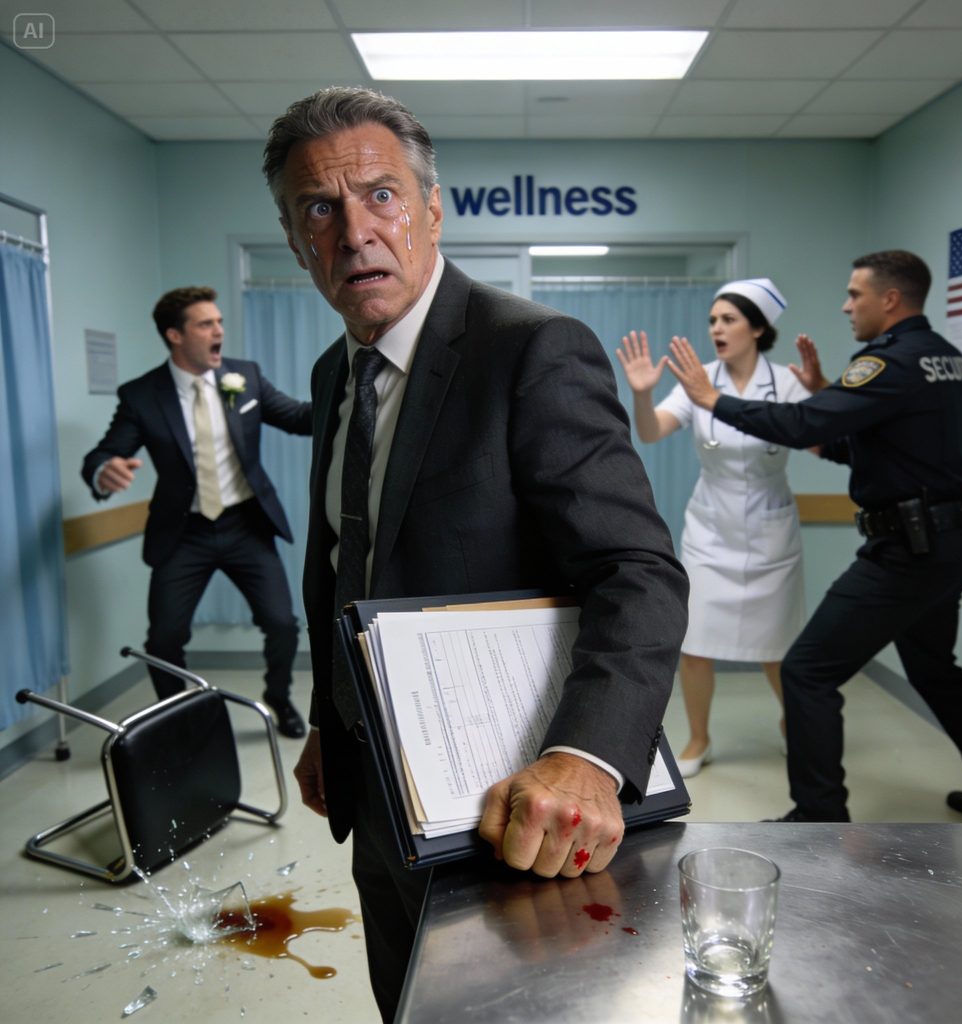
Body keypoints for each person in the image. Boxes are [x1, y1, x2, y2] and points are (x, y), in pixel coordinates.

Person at [261, 86, 687, 1021]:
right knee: (404, 1002)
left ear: (431, 209)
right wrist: (334, 721)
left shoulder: (530, 350)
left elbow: (636, 573)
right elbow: (343, 563)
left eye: (380, 195)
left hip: (516, 800)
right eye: (319, 210)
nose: (355, 233)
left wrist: (584, 759)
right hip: (380, 791)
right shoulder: (335, 373)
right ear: (295, 240)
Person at [671, 249, 962, 823]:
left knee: (807, 670)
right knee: (935, 668)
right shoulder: (949, 359)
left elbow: (801, 424)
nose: (846, 305)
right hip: (951, 543)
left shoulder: (891, 362)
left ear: (890, 299)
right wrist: (825, 393)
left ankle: (819, 816)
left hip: (907, 551)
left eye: (855, 294)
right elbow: (862, 446)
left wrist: (714, 400)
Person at [81, 286, 313, 738]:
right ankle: (177, 715)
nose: (218, 331)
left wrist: (353, 392)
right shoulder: (142, 395)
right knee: (164, 639)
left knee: (283, 625)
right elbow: (104, 453)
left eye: (219, 322)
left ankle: (279, 697)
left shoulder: (244, 377)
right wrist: (103, 471)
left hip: (246, 526)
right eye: (206, 324)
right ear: (175, 335)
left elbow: (299, 418)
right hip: (182, 533)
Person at [617, 280, 811, 777]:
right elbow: (651, 431)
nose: (716, 329)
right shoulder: (698, 378)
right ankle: (699, 738)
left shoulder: (787, 382)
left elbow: (818, 439)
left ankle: (794, 723)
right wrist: (642, 393)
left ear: (758, 328)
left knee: (778, 647)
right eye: (712, 320)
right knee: (696, 644)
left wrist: (822, 392)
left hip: (772, 531)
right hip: (710, 531)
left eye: (729, 320)